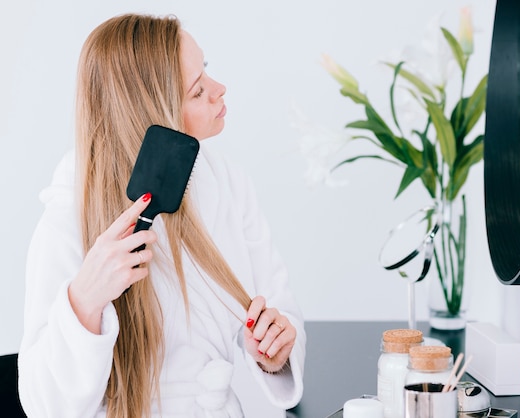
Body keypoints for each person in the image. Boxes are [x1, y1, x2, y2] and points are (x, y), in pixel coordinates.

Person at [18, 13, 305, 418]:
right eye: (198, 90)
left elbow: (278, 309)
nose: (221, 90)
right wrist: (84, 301)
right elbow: (44, 405)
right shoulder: (68, 217)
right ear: (152, 112)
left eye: (207, 72)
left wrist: (274, 351)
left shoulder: (231, 186)